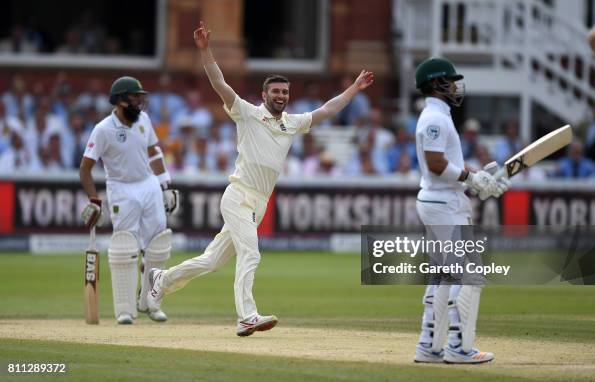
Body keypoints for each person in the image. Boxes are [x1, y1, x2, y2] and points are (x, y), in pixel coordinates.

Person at [146, 21, 374, 337]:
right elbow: (219, 83)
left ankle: (163, 280)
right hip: (239, 194)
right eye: (276, 91)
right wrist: (205, 50)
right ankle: (247, 316)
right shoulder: (248, 113)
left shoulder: (292, 123)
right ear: (264, 94)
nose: (281, 96)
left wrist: (355, 88)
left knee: (212, 261)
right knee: (251, 252)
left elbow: (327, 109)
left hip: (259, 202)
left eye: (285, 92)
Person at [412, 57, 510, 364]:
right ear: (436, 84)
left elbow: (446, 164)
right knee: (468, 275)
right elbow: (435, 164)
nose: (456, 86)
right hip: (444, 205)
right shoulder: (434, 118)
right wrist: (470, 178)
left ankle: (430, 345)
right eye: (451, 80)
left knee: (442, 275)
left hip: (441, 201)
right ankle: (459, 347)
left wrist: (477, 178)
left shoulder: (438, 116)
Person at [79, 76, 180, 325]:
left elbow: (154, 151)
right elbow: (85, 168)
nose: (140, 101)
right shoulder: (103, 129)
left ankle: (151, 302)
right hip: (121, 188)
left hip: (148, 185)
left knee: (158, 246)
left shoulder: (143, 120)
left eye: (140, 97)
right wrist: (94, 199)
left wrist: (165, 184)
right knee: (125, 248)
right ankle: (124, 309)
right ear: (121, 100)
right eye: (135, 97)